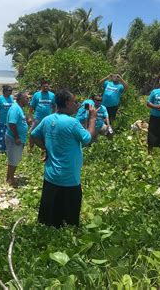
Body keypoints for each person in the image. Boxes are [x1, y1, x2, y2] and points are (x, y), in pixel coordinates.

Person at [31, 89, 97, 227]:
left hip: (51, 176)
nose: (77, 105)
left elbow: (34, 135)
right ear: (67, 103)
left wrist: (45, 149)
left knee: (49, 217)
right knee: (69, 221)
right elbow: (87, 139)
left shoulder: (48, 119)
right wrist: (92, 119)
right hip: (69, 178)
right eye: (75, 101)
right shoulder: (72, 123)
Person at [5, 91, 30, 186]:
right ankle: (9, 179)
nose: (28, 100)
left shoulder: (19, 108)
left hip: (18, 138)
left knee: (15, 158)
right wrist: (16, 137)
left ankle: (11, 176)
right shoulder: (15, 108)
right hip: (13, 138)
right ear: (20, 99)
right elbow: (12, 123)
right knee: (13, 159)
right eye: (26, 98)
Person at [28, 80, 56, 150]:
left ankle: (44, 150)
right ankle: (31, 148)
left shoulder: (52, 95)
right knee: (32, 134)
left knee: (46, 135)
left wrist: (54, 115)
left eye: (47, 86)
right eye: (44, 86)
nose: (46, 88)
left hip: (48, 120)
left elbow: (55, 106)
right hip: (37, 118)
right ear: (41, 87)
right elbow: (31, 107)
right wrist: (30, 117)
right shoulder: (36, 95)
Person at [0, 85, 14, 152]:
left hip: (10, 121)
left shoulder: (11, 98)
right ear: (5, 91)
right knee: (1, 135)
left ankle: (7, 148)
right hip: (2, 121)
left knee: (8, 135)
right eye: (9, 90)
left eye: (11, 90)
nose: (11, 92)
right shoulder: (0, 98)